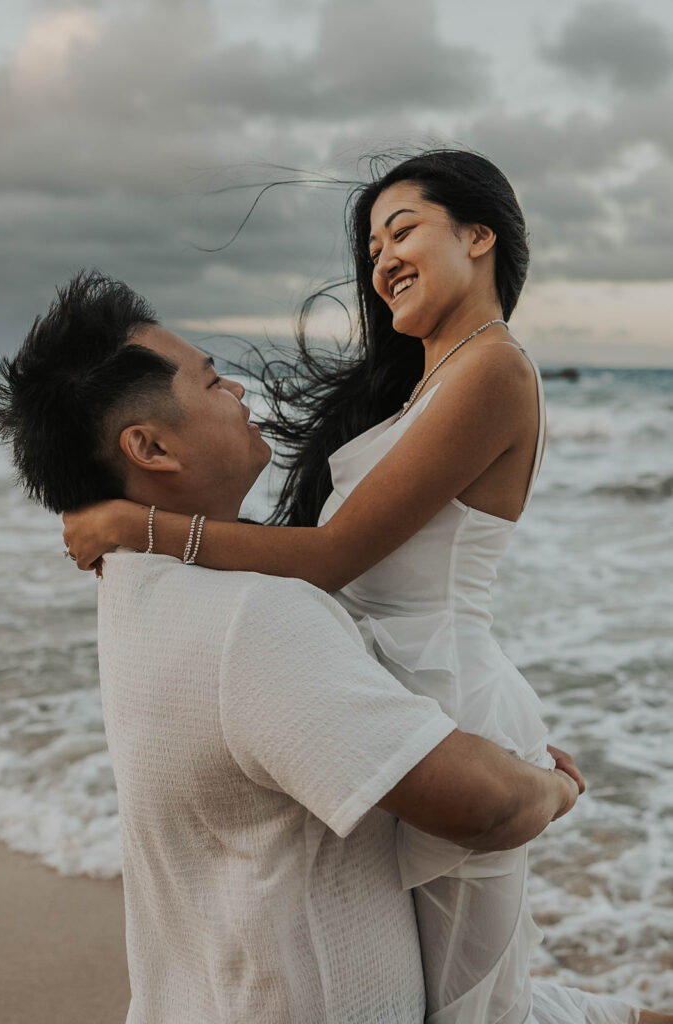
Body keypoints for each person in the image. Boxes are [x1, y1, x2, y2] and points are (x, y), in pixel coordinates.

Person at [60, 149, 668, 1024]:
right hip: (386, 699)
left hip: (451, 702)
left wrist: (139, 528)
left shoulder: (493, 369)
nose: (380, 260)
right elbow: (322, 559)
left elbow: (334, 553)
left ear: (478, 235)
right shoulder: (420, 389)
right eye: (371, 245)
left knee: (475, 1016)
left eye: (403, 229)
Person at [0, 272, 587, 1023]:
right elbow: (489, 809)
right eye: (210, 382)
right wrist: (556, 785)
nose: (238, 390)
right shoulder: (252, 619)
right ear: (149, 446)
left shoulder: (134, 583)